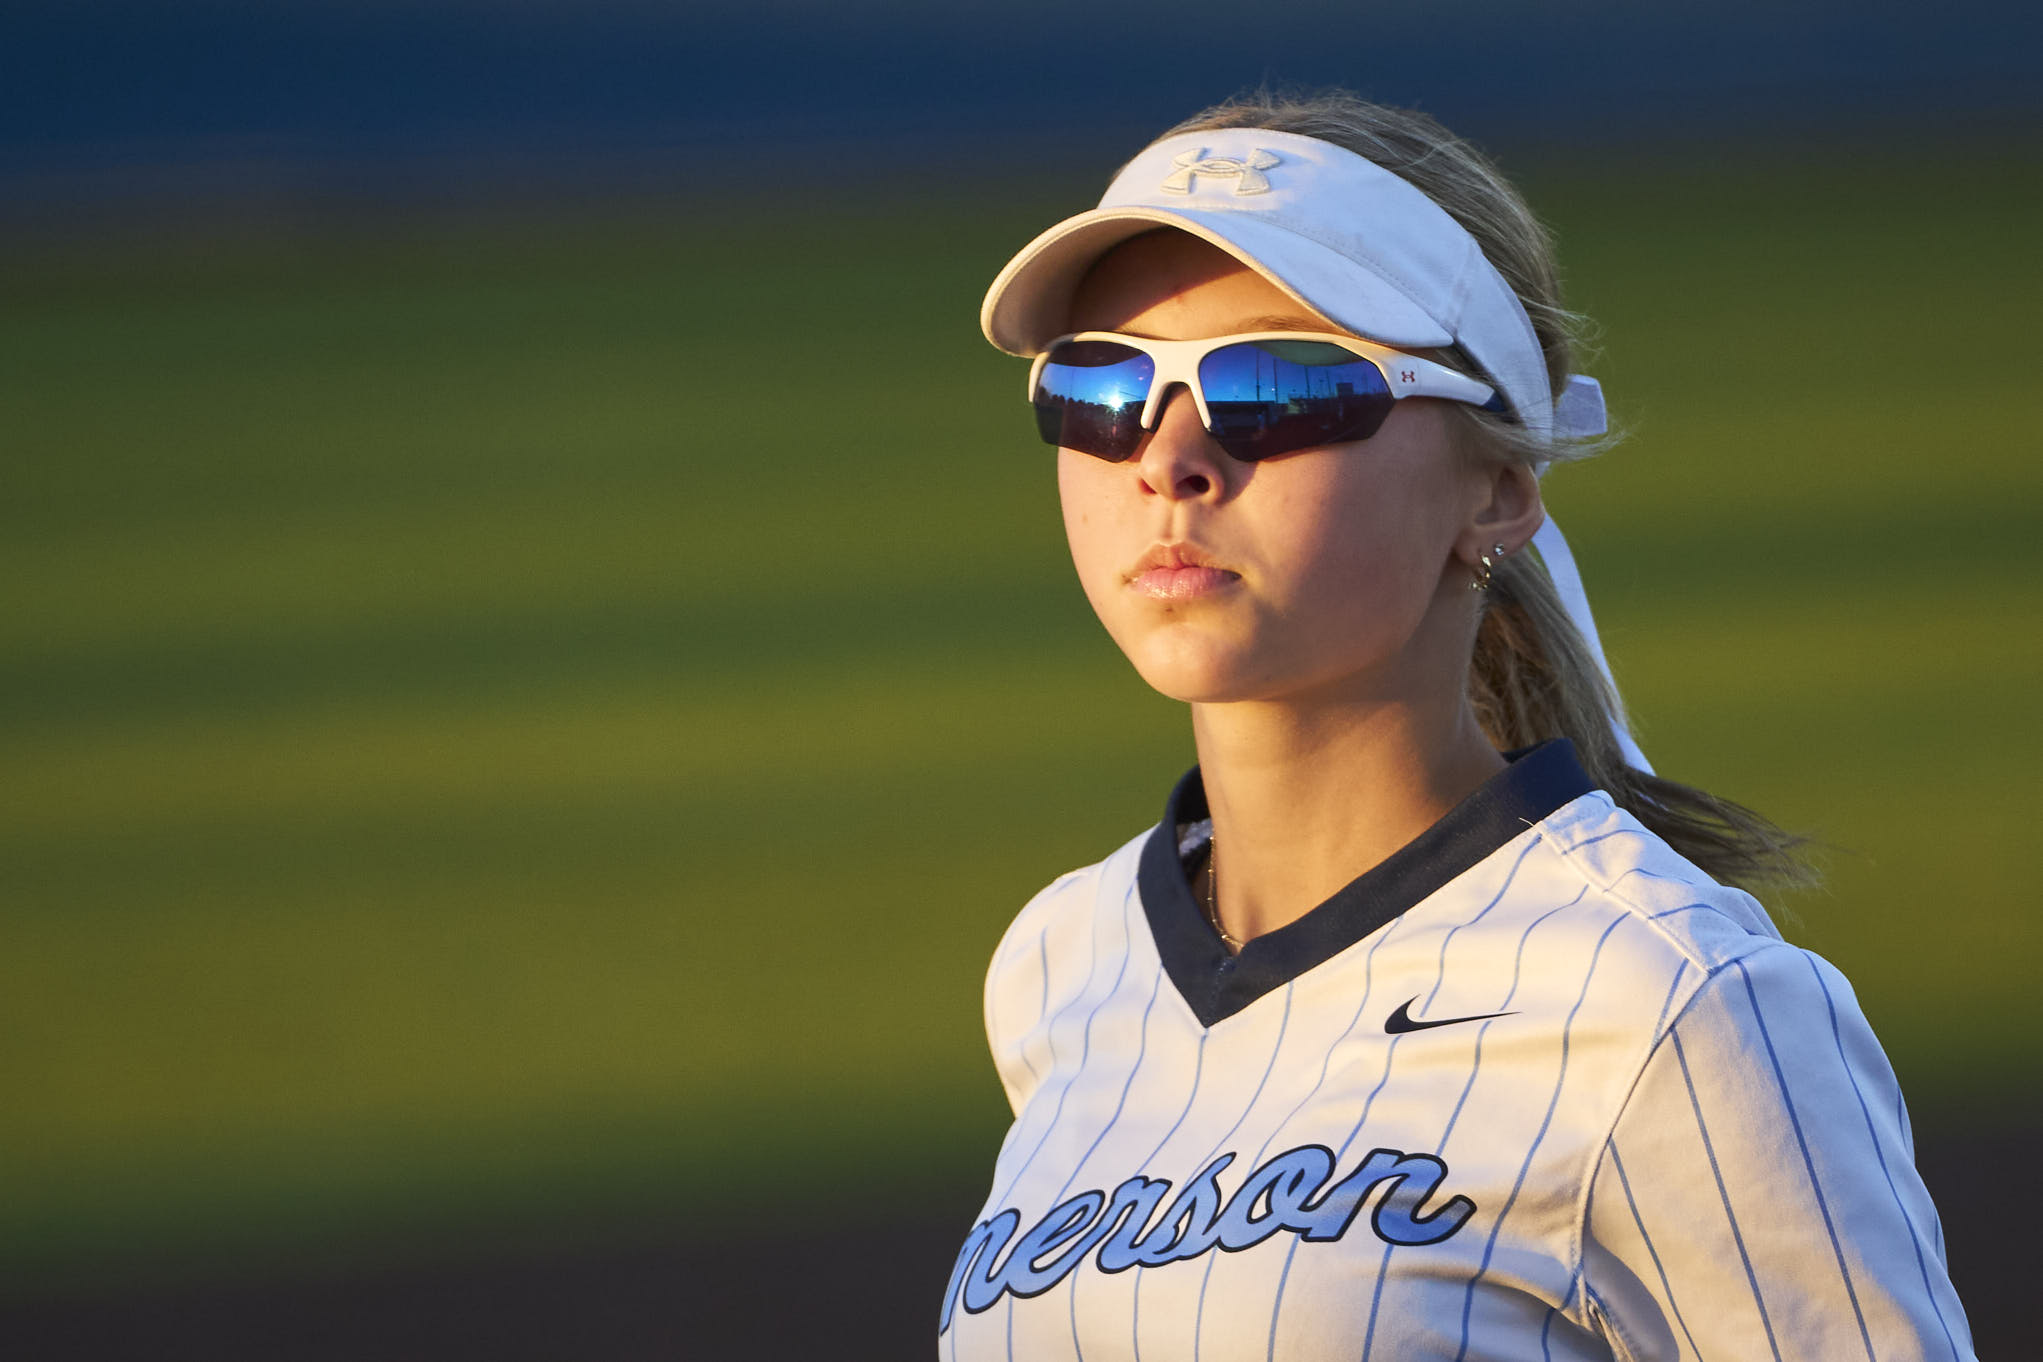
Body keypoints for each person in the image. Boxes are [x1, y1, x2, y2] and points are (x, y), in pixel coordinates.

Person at [937, 91, 1975, 1361]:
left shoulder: (1673, 1000)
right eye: (1101, 386)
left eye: (1279, 387)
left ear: (1497, 488)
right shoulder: (1062, 962)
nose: (1169, 457)